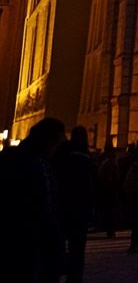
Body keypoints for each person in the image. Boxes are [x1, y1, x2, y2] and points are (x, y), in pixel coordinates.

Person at [0, 116, 66, 283]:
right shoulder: (33, 163)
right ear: (49, 140)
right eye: (57, 142)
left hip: (25, 239)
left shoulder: (34, 160)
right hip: (24, 239)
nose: (57, 148)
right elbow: (43, 205)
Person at [55, 125, 96, 283]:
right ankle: (75, 276)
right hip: (81, 207)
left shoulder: (62, 153)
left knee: (58, 241)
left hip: (63, 204)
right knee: (78, 247)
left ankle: (56, 271)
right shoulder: (86, 157)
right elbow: (91, 185)